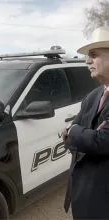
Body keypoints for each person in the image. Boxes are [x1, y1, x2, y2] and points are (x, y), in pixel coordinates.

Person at [63, 26, 109, 219]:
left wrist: (76, 132)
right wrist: (79, 133)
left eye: (93, 54)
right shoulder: (93, 95)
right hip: (81, 194)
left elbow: (102, 142)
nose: (87, 61)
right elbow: (70, 134)